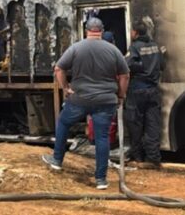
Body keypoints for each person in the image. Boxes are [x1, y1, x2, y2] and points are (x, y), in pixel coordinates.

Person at [41, 17, 130, 190]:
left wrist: (65, 88)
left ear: (86, 30)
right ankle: (101, 180)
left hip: (80, 99)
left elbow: (59, 69)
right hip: (105, 100)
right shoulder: (113, 50)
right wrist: (120, 96)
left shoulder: (76, 48)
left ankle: (57, 160)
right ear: (101, 31)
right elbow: (125, 75)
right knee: (102, 137)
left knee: (64, 122)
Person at [125, 22, 166, 170]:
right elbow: (162, 65)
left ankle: (138, 157)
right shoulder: (155, 46)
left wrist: (140, 68)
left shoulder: (135, 47)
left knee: (135, 123)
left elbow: (127, 65)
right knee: (153, 124)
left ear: (135, 33)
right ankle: (153, 158)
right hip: (153, 91)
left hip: (137, 90)